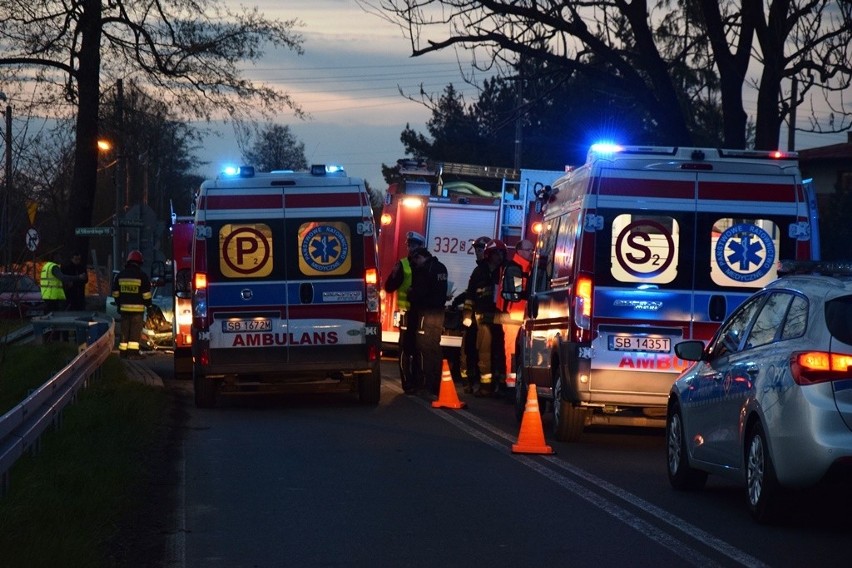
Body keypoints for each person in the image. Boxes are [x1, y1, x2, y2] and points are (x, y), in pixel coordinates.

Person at [462, 239, 509, 397]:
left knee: (500, 351)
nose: (499, 256)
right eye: (497, 253)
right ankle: (485, 386)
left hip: (501, 317)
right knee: (484, 351)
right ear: (490, 254)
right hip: (482, 317)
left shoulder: (506, 270)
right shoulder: (479, 271)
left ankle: (501, 385)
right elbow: (470, 295)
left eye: (502, 253)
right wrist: (467, 315)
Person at [383, 231, 425, 393]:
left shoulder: (426, 264)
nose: (411, 248)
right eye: (409, 245)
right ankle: (407, 382)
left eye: (414, 245)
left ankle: (419, 380)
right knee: (406, 349)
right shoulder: (402, 265)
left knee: (420, 349)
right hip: (406, 313)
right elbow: (389, 288)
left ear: (421, 247)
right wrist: (394, 275)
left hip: (421, 314)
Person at [407, 246, 449, 397]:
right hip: (439, 313)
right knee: (435, 347)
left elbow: (418, 293)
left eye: (415, 260)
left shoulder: (425, 270)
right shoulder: (441, 267)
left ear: (420, 257)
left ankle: (426, 383)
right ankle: (437, 383)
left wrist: (410, 294)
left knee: (423, 347)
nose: (415, 264)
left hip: (426, 312)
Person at [452, 235, 491, 392]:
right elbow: (471, 294)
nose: (477, 253)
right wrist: (458, 303)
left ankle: (484, 383)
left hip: (486, 319)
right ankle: (468, 381)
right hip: (475, 318)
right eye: (476, 250)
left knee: (484, 352)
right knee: (468, 349)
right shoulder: (478, 271)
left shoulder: (491, 271)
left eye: (480, 250)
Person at [500, 239, 534, 390]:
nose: (531, 253)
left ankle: (518, 383)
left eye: (532, 250)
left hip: (523, 315)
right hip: (514, 315)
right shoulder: (515, 268)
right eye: (528, 250)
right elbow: (518, 291)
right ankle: (512, 385)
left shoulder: (527, 268)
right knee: (512, 351)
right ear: (519, 251)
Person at [112, 250, 152, 359]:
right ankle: (133, 354)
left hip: (124, 310)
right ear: (139, 263)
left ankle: (123, 353)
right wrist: (149, 305)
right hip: (137, 311)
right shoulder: (142, 276)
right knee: (135, 332)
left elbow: (115, 293)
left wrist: (119, 304)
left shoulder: (120, 275)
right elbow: (146, 295)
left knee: (124, 332)